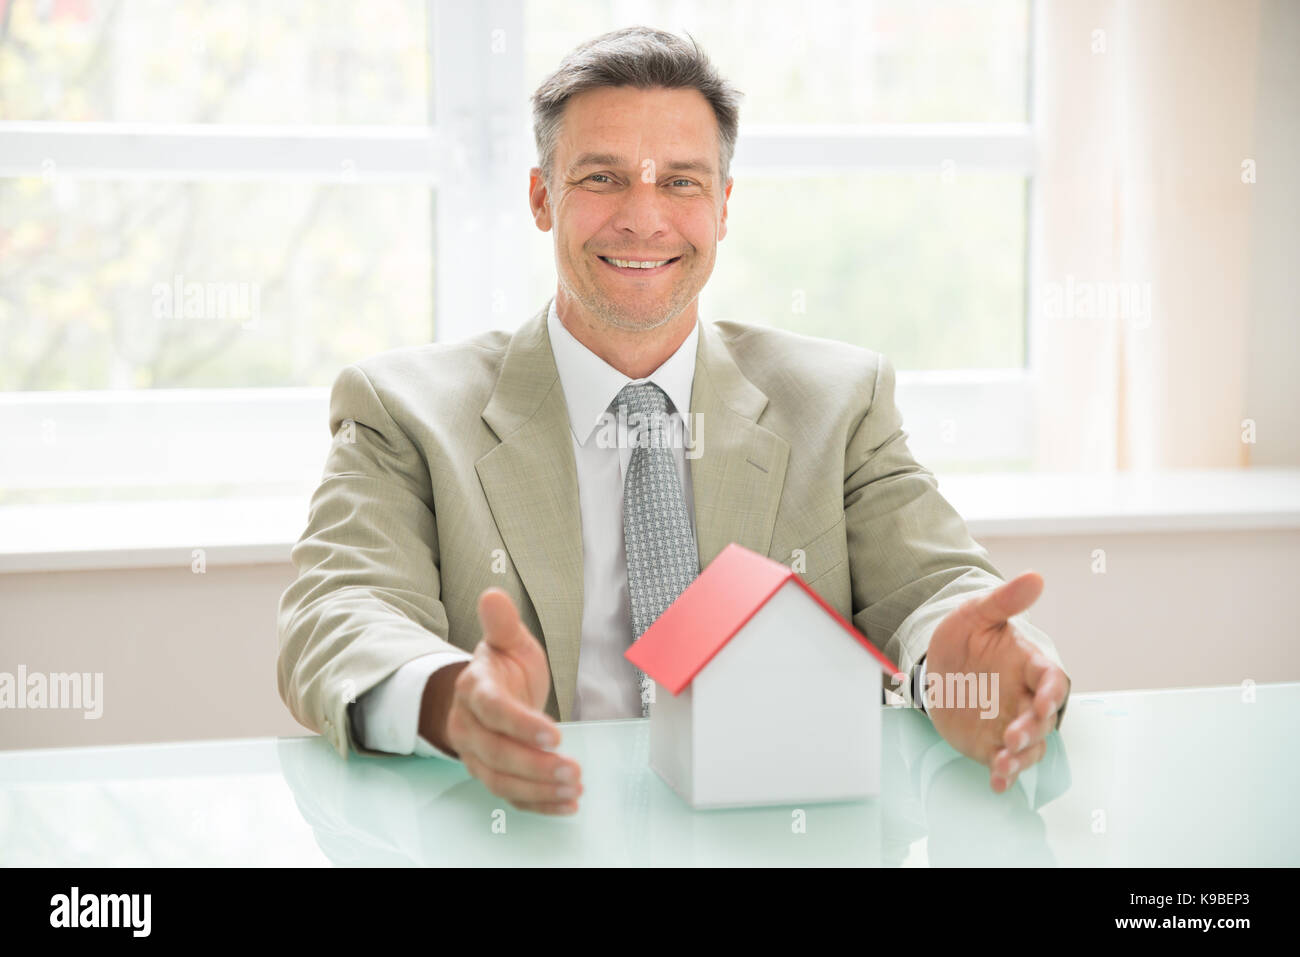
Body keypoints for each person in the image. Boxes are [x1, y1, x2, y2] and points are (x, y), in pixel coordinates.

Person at [277, 26, 1072, 817]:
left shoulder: (841, 401)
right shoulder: (403, 410)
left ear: (723, 207)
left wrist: (956, 669)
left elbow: (935, 585)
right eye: (602, 177)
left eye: (682, 183)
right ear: (540, 196)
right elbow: (340, 611)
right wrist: (450, 698)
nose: (643, 219)